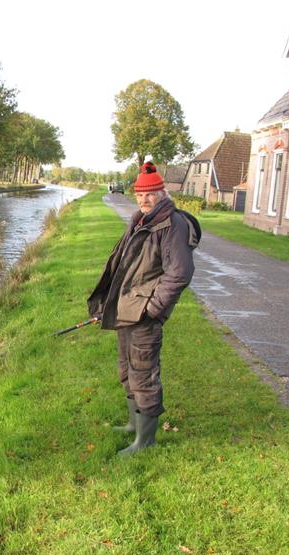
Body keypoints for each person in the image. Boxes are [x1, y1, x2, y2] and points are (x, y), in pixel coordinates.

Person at [87, 160, 201, 455]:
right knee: (127, 369)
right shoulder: (140, 220)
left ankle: (145, 441)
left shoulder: (171, 225)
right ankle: (133, 424)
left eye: (150, 194)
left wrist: (153, 308)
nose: (144, 199)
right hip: (126, 309)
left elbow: (180, 273)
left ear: (162, 193)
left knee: (144, 372)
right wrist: (107, 301)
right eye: (139, 194)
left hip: (143, 315)